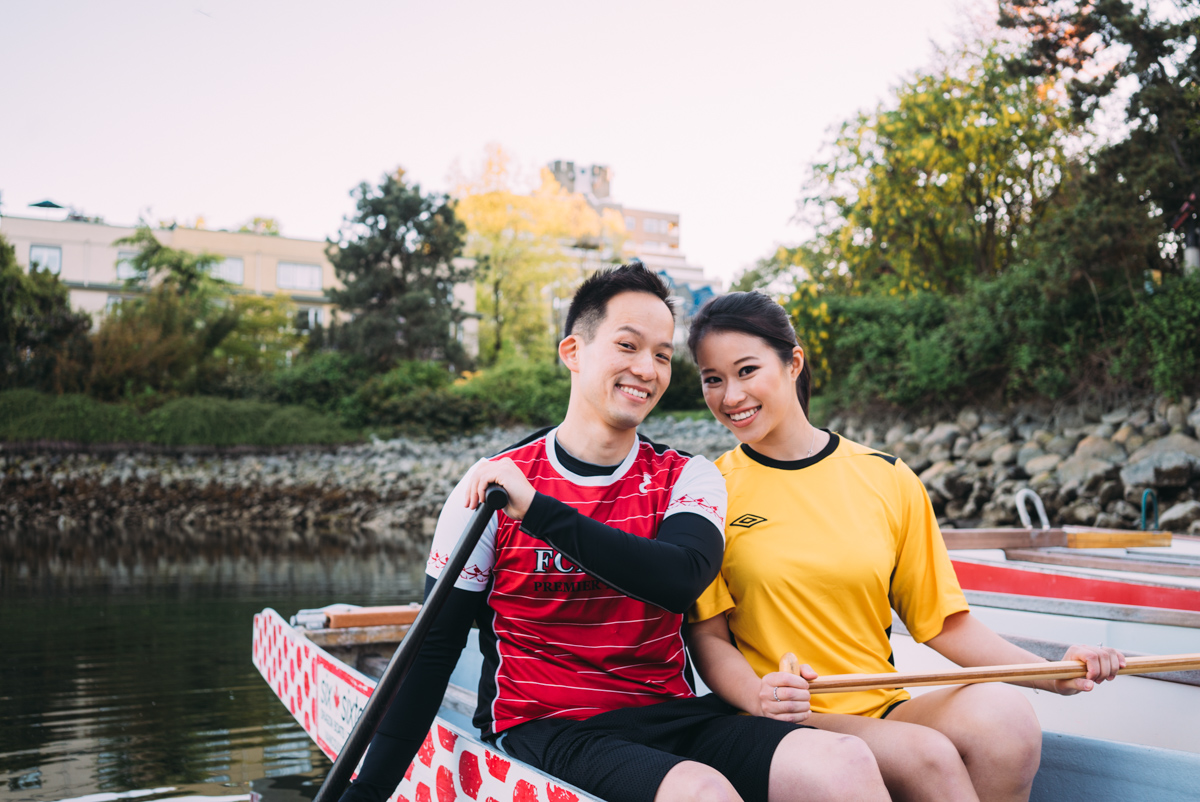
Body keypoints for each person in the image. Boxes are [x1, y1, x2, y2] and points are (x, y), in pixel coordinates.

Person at [340, 265, 889, 802]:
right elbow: (432, 654)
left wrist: (537, 512)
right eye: (628, 346)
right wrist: (366, 792)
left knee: (842, 761)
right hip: (550, 723)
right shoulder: (490, 487)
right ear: (573, 353)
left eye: (661, 354)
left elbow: (678, 578)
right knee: (701, 792)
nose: (647, 369)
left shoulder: (685, 477)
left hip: (672, 714)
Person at [684, 291, 1126, 802]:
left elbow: (942, 622)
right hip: (787, 718)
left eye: (746, 370)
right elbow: (708, 640)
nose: (730, 395)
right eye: (712, 378)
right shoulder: (709, 490)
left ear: (793, 363)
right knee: (928, 757)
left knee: (1007, 721)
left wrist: (1053, 674)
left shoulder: (886, 477)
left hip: (884, 705)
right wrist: (762, 698)